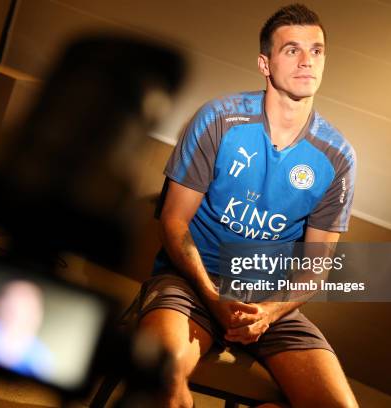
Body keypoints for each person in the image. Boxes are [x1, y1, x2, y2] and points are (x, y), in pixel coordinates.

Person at [138, 4, 358, 407]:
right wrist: (211, 294)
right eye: (292, 50)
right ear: (265, 63)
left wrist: (271, 312)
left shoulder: (338, 156)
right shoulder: (218, 120)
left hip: (268, 302)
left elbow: (317, 264)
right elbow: (173, 222)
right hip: (191, 283)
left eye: (317, 50)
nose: (307, 60)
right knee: (161, 383)